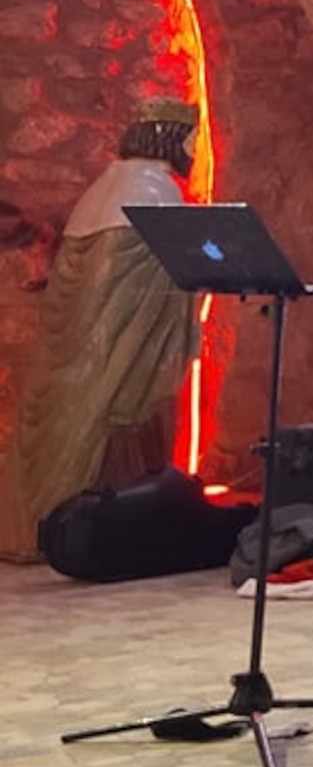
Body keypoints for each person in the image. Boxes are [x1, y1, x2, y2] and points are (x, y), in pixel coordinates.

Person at [0, 98, 201, 562]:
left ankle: (34, 527)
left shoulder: (104, 189)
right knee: (115, 420)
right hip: (120, 350)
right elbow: (158, 285)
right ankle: (101, 530)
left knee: (75, 417)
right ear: (169, 137)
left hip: (78, 348)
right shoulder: (155, 191)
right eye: (189, 137)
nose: (192, 148)